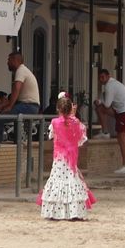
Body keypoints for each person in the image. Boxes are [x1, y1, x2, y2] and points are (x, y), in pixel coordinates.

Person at [39, 93, 95, 221]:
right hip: (71, 158)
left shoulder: (54, 122)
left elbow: (51, 136)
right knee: (72, 180)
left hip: (59, 158)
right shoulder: (77, 123)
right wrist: (73, 117)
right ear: (71, 108)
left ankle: (55, 212)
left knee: (56, 180)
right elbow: (81, 140)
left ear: (58, 109)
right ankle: (73, 211)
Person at [94, 67, 125, 175]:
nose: (101, 80)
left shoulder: (109, 86)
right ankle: (105, 132)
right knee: (99, 108)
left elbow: (107, 104)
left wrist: (99, 101)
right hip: (121, 111)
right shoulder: (113, 84)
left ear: (108, 76)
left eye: (103, 77)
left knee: (121, 137)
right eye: (100, 78)